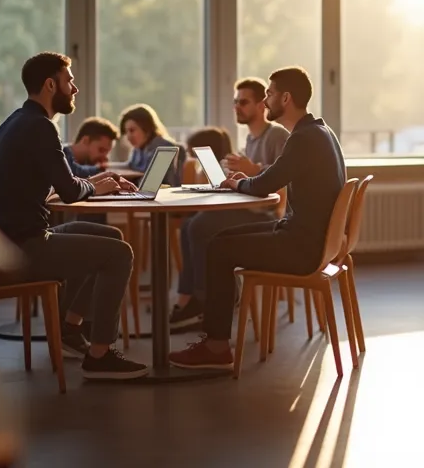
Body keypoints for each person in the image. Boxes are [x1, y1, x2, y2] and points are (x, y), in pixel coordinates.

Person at [0, 52, 148, 380]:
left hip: (3, 242)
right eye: (69, 80)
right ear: (49, 84)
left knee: (109, 237)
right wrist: (94, 187)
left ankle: (70, 329)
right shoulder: (40, 127)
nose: (74, 88)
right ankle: (99, 355)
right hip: (19, 249)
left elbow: (58, 186)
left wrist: (95, 183)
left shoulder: (16, 121)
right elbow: (70, 192)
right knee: (119, 254)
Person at [167, 67, 346, 369]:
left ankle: (216, 346)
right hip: (307, 237)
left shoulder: (303, 138)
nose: (266, 100)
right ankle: (215, 335)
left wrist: (237, 182)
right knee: (219, 239)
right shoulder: (320, 131)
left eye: (270, 94)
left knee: (218, 249)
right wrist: (245, 179)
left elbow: (265, 182)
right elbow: (270, 177)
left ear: (286, 98)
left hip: (301, 246)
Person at [169, 78, 291, 330]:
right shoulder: (251, 140)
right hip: (250, 209)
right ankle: (193, 296)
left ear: (261, 105)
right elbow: (253, 179)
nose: (237, 106)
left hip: (269, 216)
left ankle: (204, 300)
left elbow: (286, 178)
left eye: (243, 102)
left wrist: (253, 169)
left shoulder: (277, 135)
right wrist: (233, 179)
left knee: (200, 225)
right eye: (235, 102)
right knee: (191, 224)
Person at [120, 103, 182, 187]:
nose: (128, 137)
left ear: (147, 128)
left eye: (132, 130)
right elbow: (130, 166)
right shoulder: (138, 148)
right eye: (126, 132)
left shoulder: (164, 147)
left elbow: (152, 182)